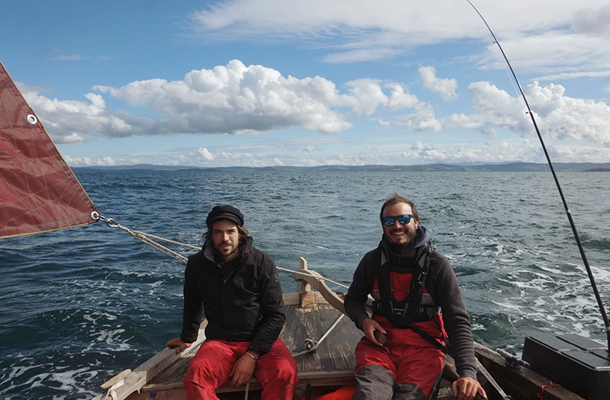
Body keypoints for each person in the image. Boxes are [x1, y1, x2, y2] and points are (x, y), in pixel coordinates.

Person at [344, 194, 487, 400]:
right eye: (389, 221)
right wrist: (363, 321)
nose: (397, 225)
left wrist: (467, 373)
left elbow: (457, 320)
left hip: (424, 349)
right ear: (383, 226)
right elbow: (353, 299)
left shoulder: (437, 265)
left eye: (403, 219)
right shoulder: (371, 261)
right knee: (370, 395)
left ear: (415, 222)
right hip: (380, 346)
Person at [166, 205, 298, 400]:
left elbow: (276, 314)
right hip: (220, 341)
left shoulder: (261, 263)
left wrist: (252, 354)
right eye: (218, 232)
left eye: (230, 231)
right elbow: (193, 303)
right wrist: (188, 336)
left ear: (241, 234)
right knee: (197, 377)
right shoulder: (197, 265)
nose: (225, 238)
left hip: (261, 341)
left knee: (285, 372)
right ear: (210, 235)